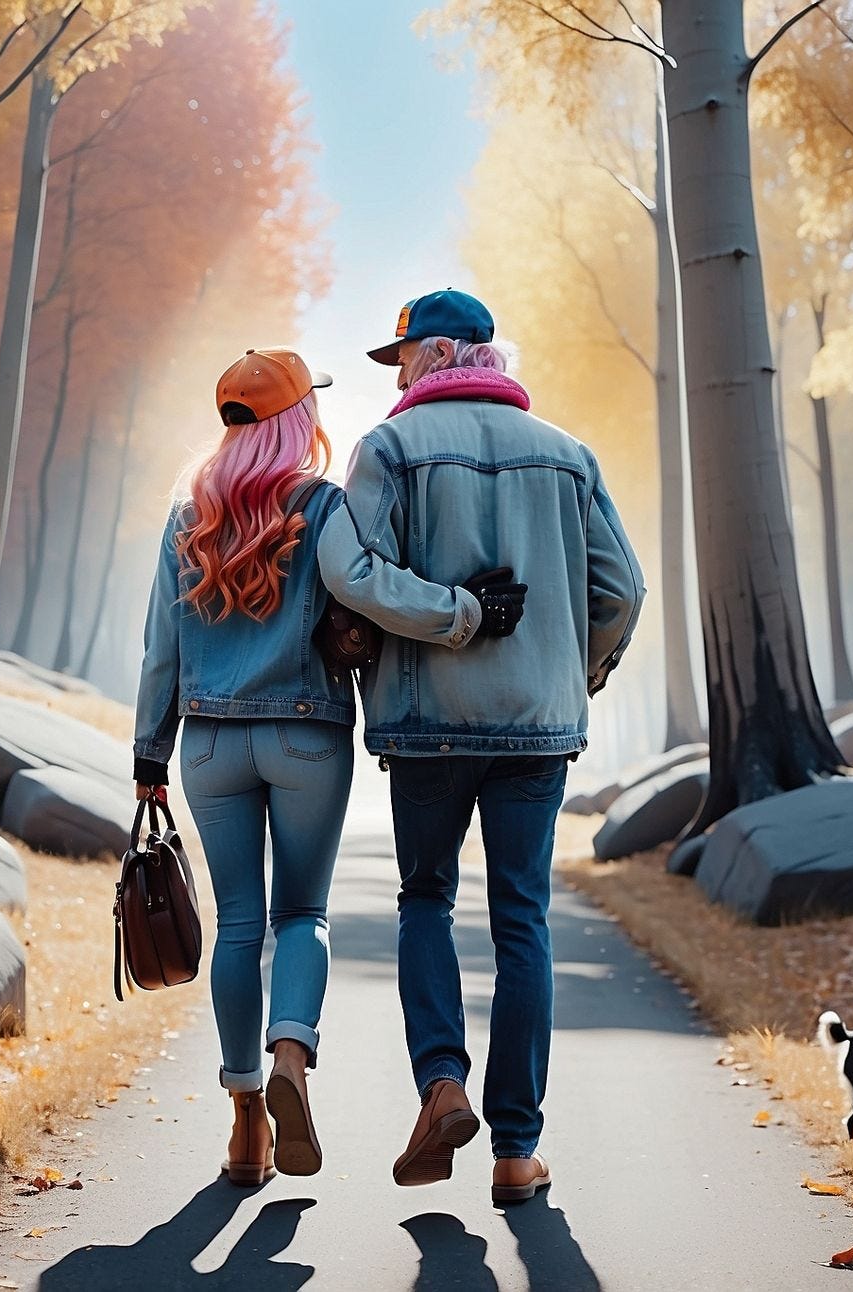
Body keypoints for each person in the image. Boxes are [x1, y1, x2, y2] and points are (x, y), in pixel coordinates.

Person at [317, 289, 644, 1204]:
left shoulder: (386, 451)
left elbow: (350, 573)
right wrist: (572, 672)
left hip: (427, 723)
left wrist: (448, 621)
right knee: (522, 923)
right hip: (537, 731)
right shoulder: (569, 457)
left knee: (426, 897)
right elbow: (621, 589)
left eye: (406, 355)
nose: (401, 372)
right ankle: (515, 1150)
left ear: (445, 350)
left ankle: (441, 1084)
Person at [133, 348, 356, 1186]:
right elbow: (359, 597)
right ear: (300, 418)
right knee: (303, 914)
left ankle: (244, 1126)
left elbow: (162, 647)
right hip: (307, 737)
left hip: (211, 745)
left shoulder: (186, 514)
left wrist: (148, 752)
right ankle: (291, 1056)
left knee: (239, 925)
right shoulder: (323, 505)